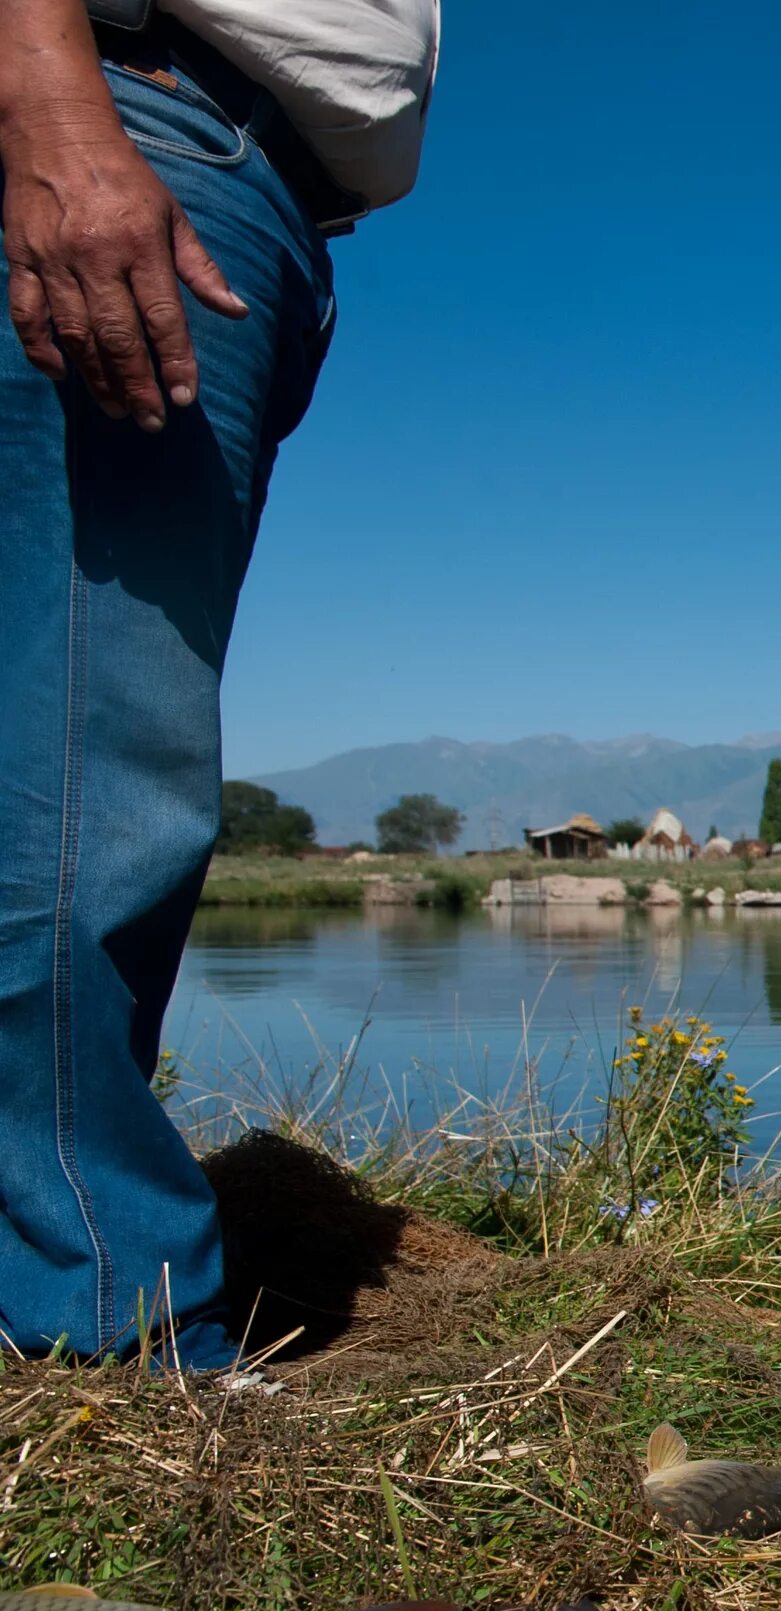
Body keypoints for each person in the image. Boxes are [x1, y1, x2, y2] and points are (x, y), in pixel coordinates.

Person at [0, 0, 438, 1364]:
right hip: (130, 127)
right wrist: (58, 112)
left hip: (236, 182)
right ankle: (104, 1327)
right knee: (92, 766)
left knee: (66, 743)